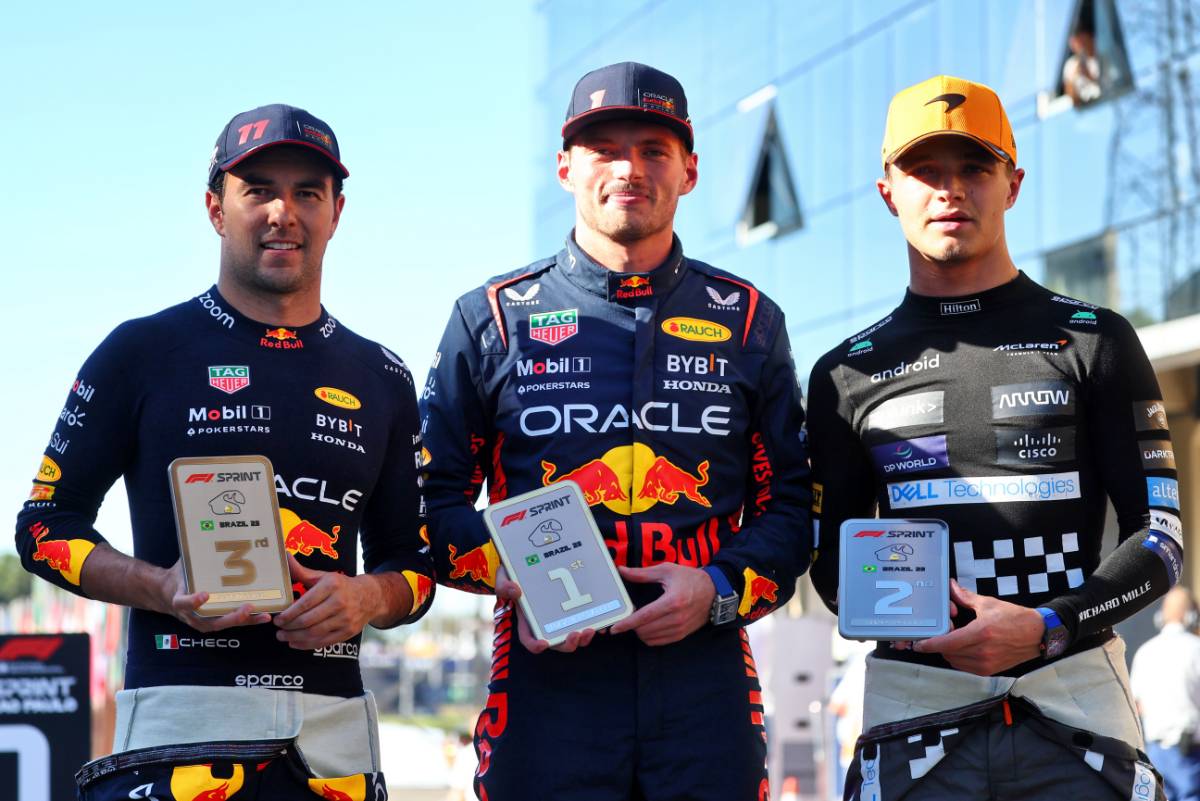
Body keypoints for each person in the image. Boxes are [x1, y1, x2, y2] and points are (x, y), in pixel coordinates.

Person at [17, 103, 435, 800]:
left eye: (308, 192)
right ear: (216, 208)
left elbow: (415, 570)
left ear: (337, 212)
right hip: (178, 735)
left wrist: (365, 595)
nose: (284, 211)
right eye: (259, 189)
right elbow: (41, 528)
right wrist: (162, 589)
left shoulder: (383, 377)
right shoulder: (140, 352)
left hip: (332, 749)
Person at [419, 61, 811, 801]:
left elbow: (793, 508)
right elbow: (427, 503)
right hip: (547, 675)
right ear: (566, 167)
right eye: (604, 148)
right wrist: (515, 580)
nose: (629, 168)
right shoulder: (492, 317)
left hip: (705, 677)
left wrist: (718, 588)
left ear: (689, 171)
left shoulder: (751, 319)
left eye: (653, 149)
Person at [807, 75, 1180, 800]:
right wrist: (931, 623)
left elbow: (1161, 538)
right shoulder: (844, 372)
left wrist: (1048, 625)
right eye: (925, 171)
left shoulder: (1095, 338)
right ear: (888, 192)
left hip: (1076, 715)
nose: (950, 190)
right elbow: (830, 569)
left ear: (1013, 183)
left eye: (975, 167)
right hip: (915, 721)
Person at [1131, 587, 1200, 801]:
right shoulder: (1196, 649)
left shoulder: (1145, 652)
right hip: (1190, 753)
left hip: (1155, 752)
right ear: (1191, 616)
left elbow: (1136, 703)